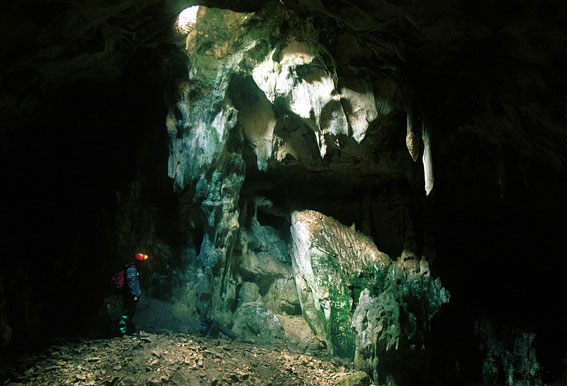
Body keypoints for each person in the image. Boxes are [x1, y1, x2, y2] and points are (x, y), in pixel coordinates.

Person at [118, 252, 148, 336]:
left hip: (131, 296)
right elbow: (130, 283)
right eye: (142, 262)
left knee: (130, 313)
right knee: (126, 313)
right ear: (139, 262)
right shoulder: (131, 270)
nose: (143, 265)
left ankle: (127, 331)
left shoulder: (135, 269)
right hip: (129, 296)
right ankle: (121, 332)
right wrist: (134, 295)